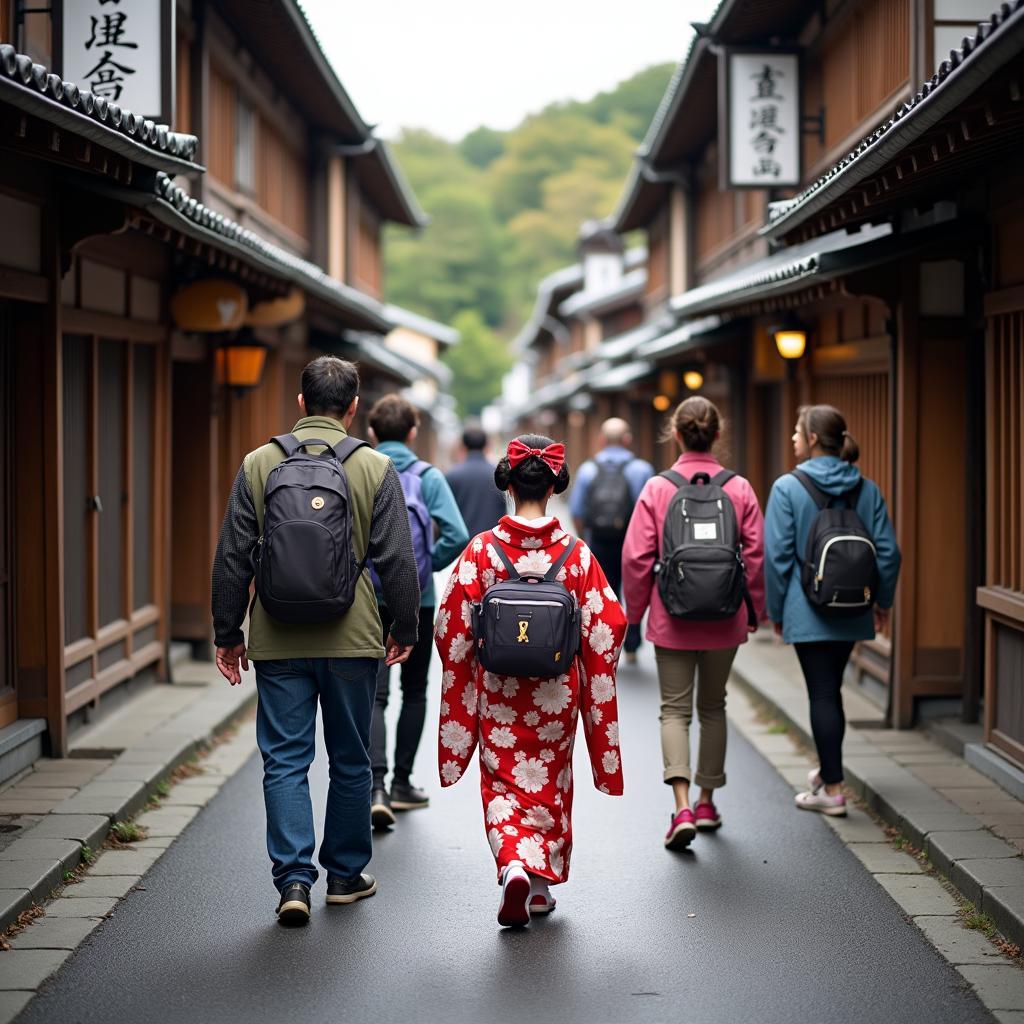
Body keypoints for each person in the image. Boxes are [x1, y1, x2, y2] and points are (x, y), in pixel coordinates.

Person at [212, 356, 420, 926]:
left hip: (277, 636)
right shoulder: (376, 467)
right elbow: (397, 560)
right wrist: (405, 628)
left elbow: (232, 556)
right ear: (353, 409)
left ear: (301, 402)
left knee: (284, 760)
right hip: (352, 637)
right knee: (351, 759)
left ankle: (294, 882)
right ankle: (347, 877)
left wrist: (227, 634)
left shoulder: (258, 463)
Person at [435, 434, 626, 927]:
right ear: (556, 486)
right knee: (549, 783)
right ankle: (539, 888)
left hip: (498, 693)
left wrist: (469, 666)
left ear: (509, 482)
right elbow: (608, 625)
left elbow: (450, 626)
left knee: (503, 781)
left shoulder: (483, 551)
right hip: (556, 694)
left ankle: (513, 863)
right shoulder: (577, 555)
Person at [622, 396, 765, 849]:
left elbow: (637, 557)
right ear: (717, 435)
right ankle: (706, 801)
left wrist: (636, 614)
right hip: (725, 617)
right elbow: (756, 556)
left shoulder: (658, 488)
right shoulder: (738, 487)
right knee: (714, 706)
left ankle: (680, 805)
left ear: (676, 434)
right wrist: (754, 607)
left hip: (672, 616)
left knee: (675, 710)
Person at [765, 404, 901, 817]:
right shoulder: (867, 488)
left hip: (807, 609)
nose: (791, 438)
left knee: (822, 693)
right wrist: (883, 602)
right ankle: (827, 773)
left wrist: (777, 611)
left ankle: (834, 789)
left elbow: (777, 558)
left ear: (810, 439)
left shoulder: (788, 488)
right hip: (854, 605)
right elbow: (889, 554)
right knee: (832, 689)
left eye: (796, 431)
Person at [367, 395, 468, 829]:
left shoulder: (361, 469)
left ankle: (375, 786)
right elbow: (458, 532)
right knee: (414, 691)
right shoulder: (428, 476)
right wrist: (423, 568)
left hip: (367, 598)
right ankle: (405, 783)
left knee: (374, 693)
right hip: (419, 600)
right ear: (413, 432)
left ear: (372, 432)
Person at [569, 417, 654, 660]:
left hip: (599, 540)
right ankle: (632, 644)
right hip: (634, 541)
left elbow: (577, 511)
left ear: (602, 440)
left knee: (607, 594)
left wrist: (585, 538)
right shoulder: (642, 469)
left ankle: (608, 645)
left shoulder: (588, 468)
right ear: (627, 440)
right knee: (635, 591)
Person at [445, 422, 508, 538]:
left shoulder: (452, 475)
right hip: (493, 548)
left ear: (462, 446)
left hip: (462, 549)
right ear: (487, 445)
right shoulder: (499, 474)